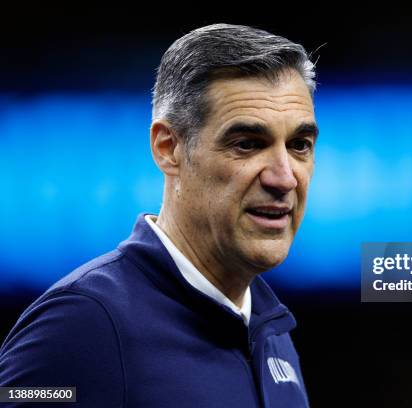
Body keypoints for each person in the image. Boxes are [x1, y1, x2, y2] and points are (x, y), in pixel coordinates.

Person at [0, 23, 318, 407]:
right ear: (168, 147)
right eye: (248, 144)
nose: (284, 177)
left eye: (300, 145)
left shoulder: (271, 331)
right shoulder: (81, 327)